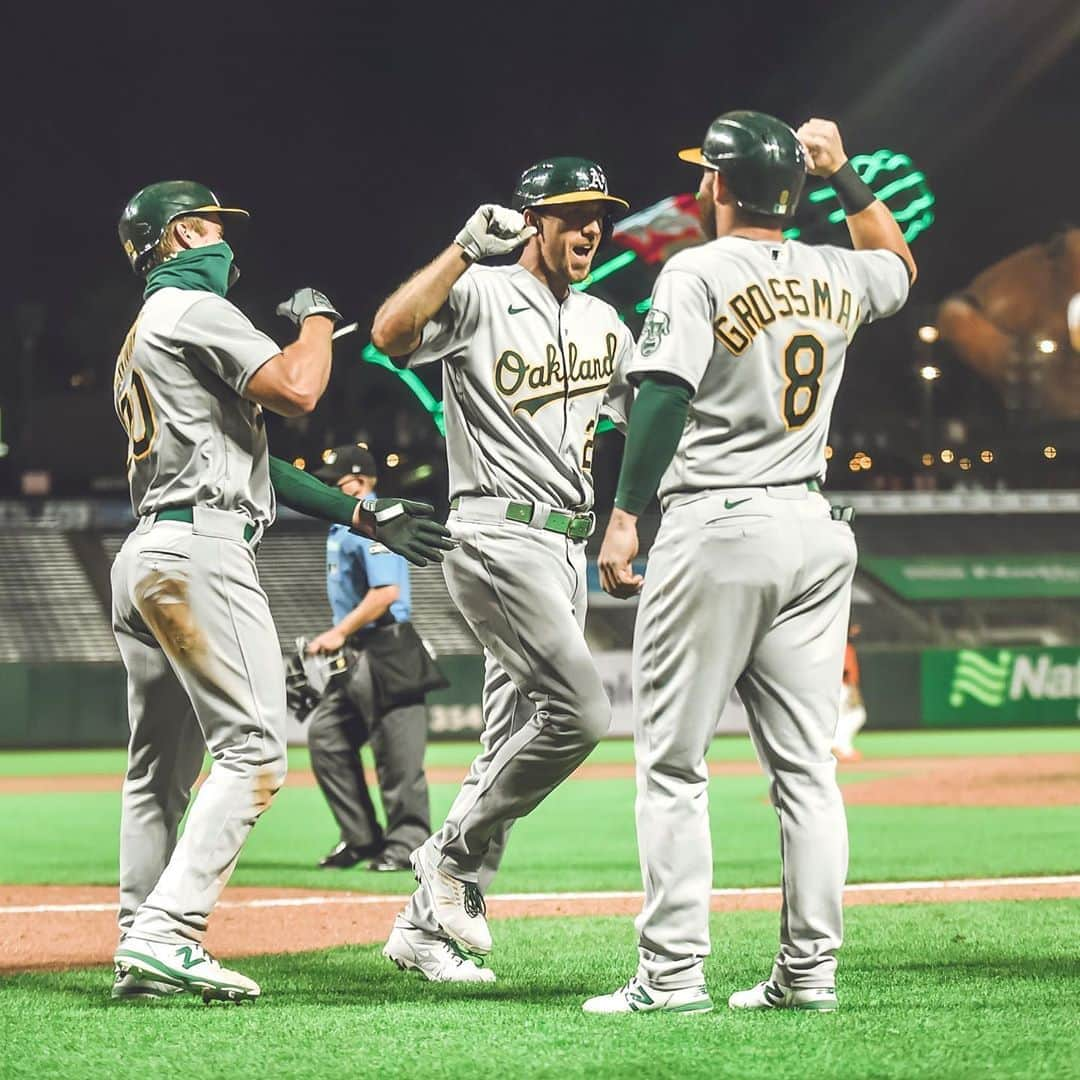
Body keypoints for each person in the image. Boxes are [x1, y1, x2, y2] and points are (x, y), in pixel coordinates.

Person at [582, 113, 916, 1015]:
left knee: (673, 764)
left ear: (719, 186)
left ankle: (673, 975)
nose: (698, 187)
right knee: (807, 772)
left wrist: (623, 519)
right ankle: (809, 976)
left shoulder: (695, 268)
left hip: (718, 523)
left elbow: (660, 396)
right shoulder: (838, 269)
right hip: (812, 524)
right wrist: (843, 173)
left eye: (705, 174)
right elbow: (901, 266)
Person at [109, 181, 451, 1003]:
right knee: (255, 753)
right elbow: (299, 389)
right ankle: (170, 930)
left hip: (149, 550)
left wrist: (359, 512)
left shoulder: (144, 331)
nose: (228, 243)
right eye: (214, 227)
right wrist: (319, 320)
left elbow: (261, 462)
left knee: (158, 771)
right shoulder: (190, 304)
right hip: (201, 548)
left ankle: (139, 938)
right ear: (180, 233)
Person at [370, 157, 634, 982]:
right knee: (581, 715)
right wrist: (459, 250)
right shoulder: (482, 294)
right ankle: (446, 858)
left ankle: (421, 931)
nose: (590, 228)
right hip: (495, 532)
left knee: (505, 744)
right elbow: (389, 334)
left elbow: (652, 415)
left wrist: (629, 518)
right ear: (531, 221)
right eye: (571, 213)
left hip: (565, 546)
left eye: (599, 214)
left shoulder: (603, 320)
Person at [305, 443, 433, 872]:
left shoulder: (375, 518)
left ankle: (407, 845)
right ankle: (360, 839)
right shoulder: (343, 525)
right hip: (356, 653)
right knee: (327, 738)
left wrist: (337, 632)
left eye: (335, 483)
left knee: (397, 754)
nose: (329, 491)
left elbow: (386, 593)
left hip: (388, 648)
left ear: (359, 481)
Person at [833, 623, 867, 763]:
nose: (856, 632)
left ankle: (842, 748)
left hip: (836, 688)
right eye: (853, 628)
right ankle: (841, 748)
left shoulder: (837, 646)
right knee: (857, 715)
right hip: (842, 688)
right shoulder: (845, 648)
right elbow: (846, 671)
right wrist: (853, 691)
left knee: (841, 718)